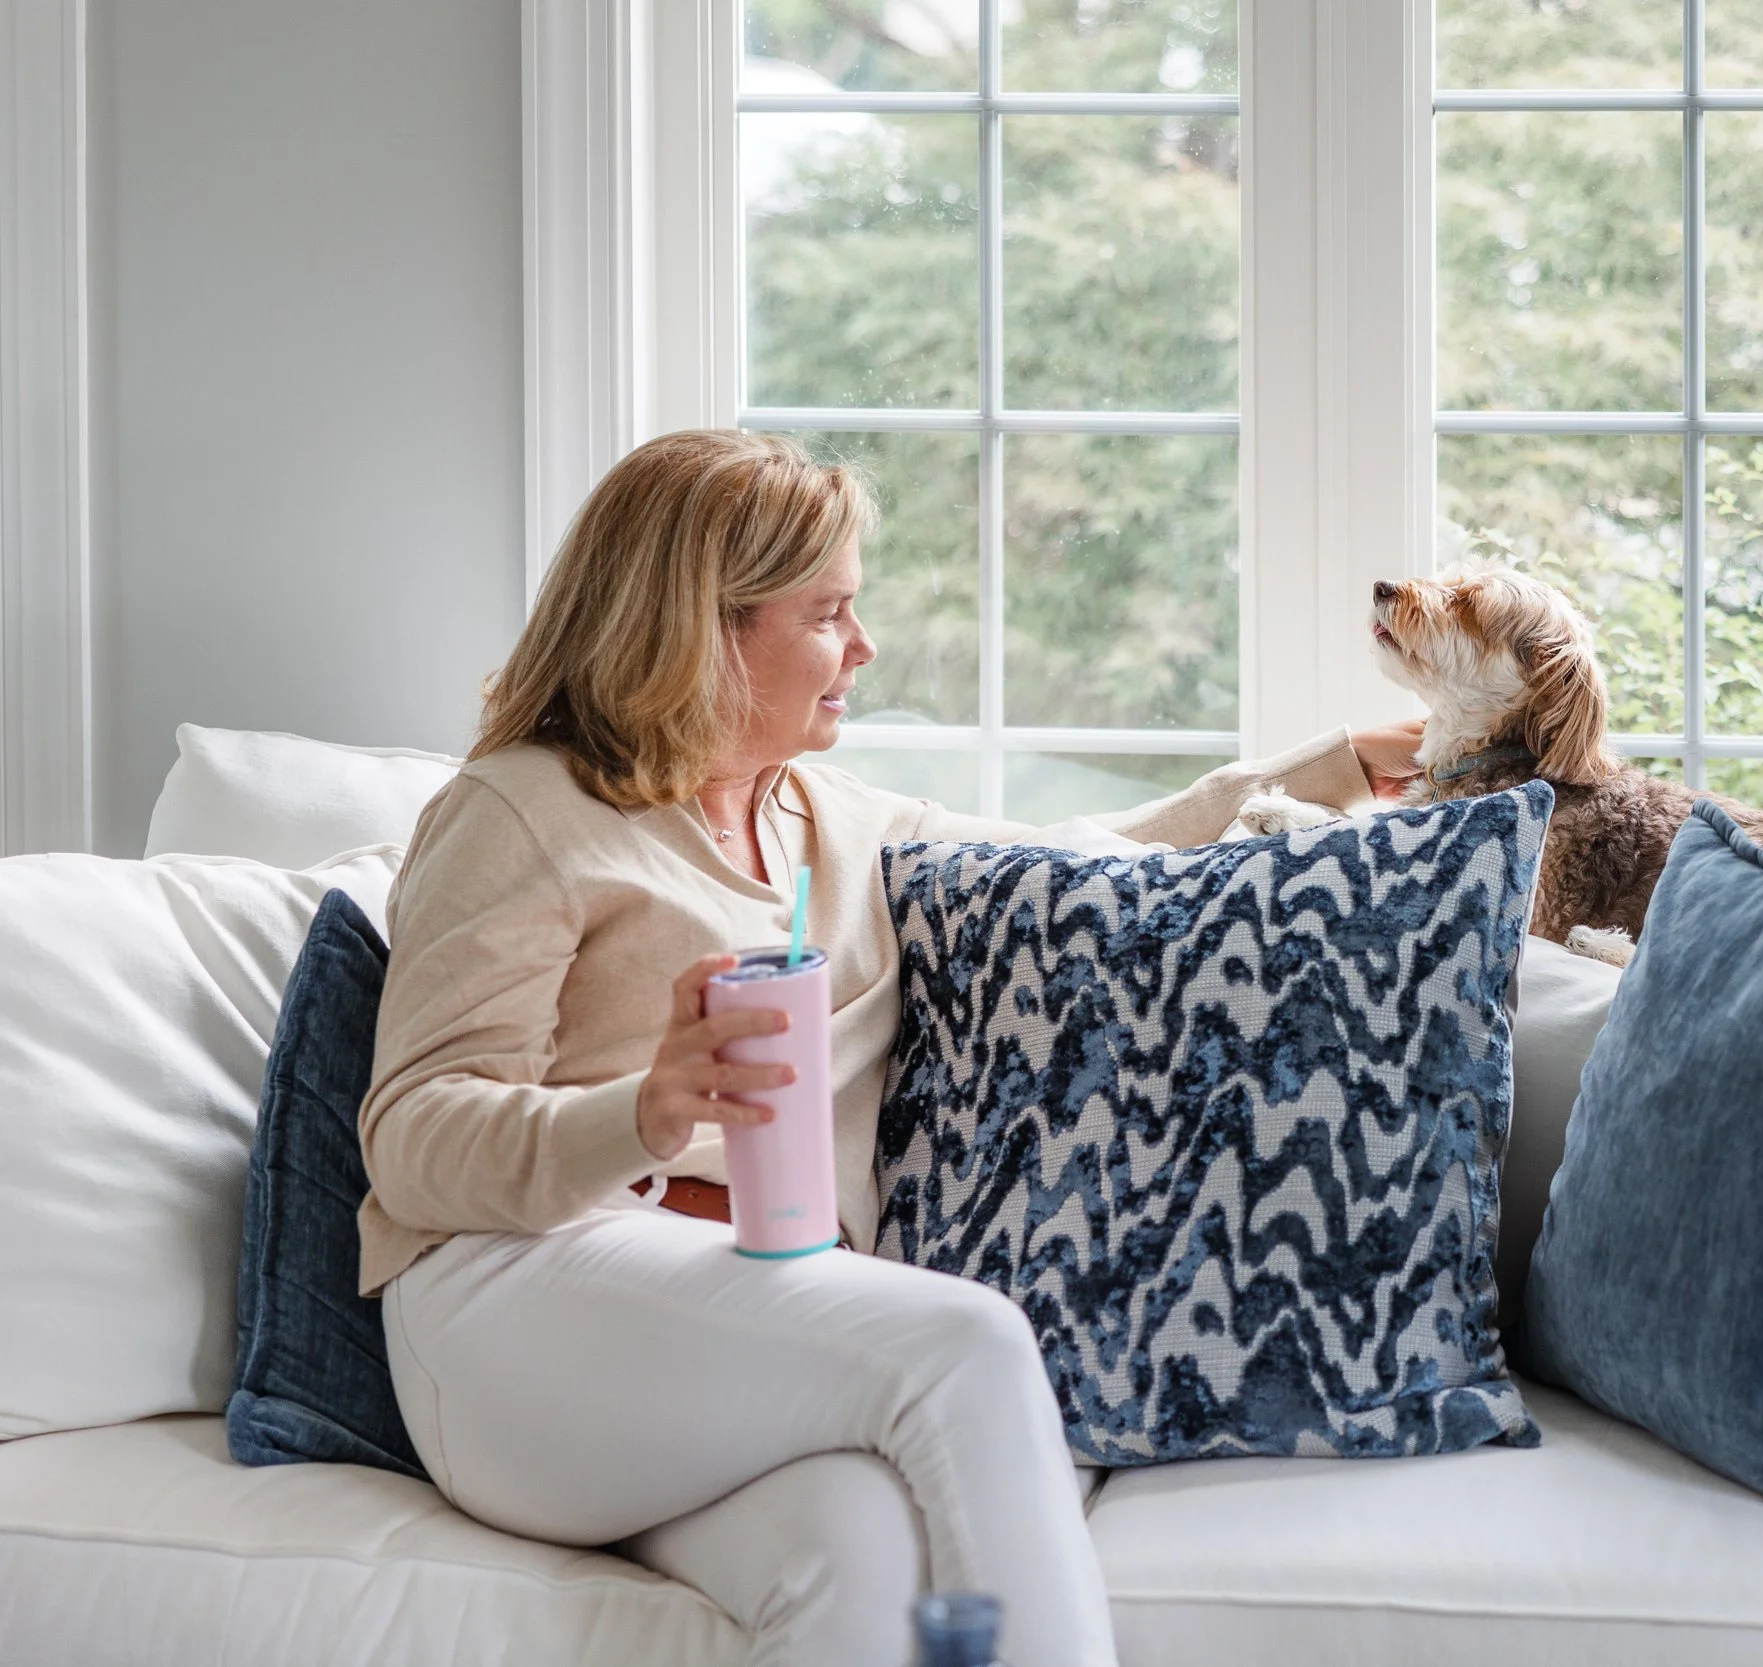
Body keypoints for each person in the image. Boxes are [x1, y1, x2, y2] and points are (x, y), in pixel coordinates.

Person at [358, 429, 1423, 1667]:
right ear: (704, 626)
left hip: (747, 1317)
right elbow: (414, 1135)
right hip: (512, 1314)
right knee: (966, 1341)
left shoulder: (833, 821)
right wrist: (639, 1112)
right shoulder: (524, 808)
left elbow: (1076, 856)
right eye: (828, 613)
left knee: (858, 1551)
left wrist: (1339, 765)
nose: (862, 648)